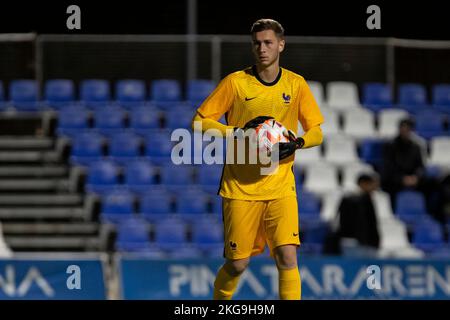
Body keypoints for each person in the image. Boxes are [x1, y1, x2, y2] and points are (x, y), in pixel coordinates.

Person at [191, 19, 324, 300]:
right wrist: (237, 132)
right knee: (238, 264)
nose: (262, 49)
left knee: (288, 257)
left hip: (280, 187)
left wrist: (297, 143)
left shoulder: (295, 84)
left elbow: (317, 132)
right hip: (241, 188)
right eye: (257, 43)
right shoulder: (235, 82)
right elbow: (199, 122)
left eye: (268, 43)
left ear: (281, 45)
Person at [381, 118, 440, 219]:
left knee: (434, 183)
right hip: (396, 180)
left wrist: (416, 177)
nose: (405, 131)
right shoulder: (390, 146)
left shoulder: (416, 147)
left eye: (408, 129)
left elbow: (421, 167)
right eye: (403, 129)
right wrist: (402, 179)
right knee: (388, 184)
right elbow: (388, 167)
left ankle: (432, 214)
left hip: (413, 179)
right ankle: (393, 213)